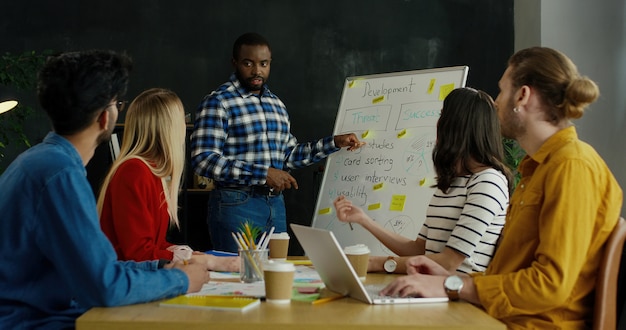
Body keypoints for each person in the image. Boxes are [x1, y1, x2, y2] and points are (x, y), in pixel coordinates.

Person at [379, 47, 623, 329]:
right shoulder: (537, 169)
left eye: (502, 90)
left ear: (523, 96)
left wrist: (452, 286)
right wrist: (451, 280)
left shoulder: (572, 167)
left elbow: (549, 285)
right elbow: (510, 276)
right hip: (499, 318)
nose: (495, 103)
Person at [0, 50, 210, 329]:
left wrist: (159, 268)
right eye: (117, 104)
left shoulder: (39, 162)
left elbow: (99, 272)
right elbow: (104, 287)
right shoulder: (60, 175)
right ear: (104, 117)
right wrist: (183, 280)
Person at [191, 32, 365, 252]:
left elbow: (289, 156)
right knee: (238, 278)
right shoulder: (218, 102)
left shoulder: (277, 105)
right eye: (248, 63)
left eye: (263, 64)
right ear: (234, 63)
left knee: (276, 278)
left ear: (270, 63)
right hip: (235, 205)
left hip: (276, 206)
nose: (257, 71)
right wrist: (263, 173)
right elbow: (203, 160)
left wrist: (334, 143)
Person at [334, 87, 512, 275]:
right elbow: (419, 250)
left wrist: (374, 263)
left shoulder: (488, 182)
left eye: (443, 115)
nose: (437, 123)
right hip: (428, 288)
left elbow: (448, 262)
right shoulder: (452, 183)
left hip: (457, 297)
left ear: (457, 125)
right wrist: (364, 220)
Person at [98, 88, 239, 272]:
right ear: (167, 128)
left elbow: (151, 244)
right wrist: (205, 261)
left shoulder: (150, 171)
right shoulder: (134, 171)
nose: (185, 125)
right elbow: (138, 254)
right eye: (181, 119)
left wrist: (184, 253)